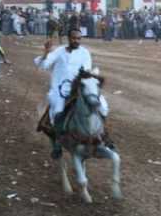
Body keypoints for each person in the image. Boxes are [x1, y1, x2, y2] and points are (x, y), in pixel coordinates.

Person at [34, 30, 109, 158]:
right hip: (59, 89)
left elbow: (86, 71)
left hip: (78, 87)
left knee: (102, 106)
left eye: (79, 39)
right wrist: (46, 51)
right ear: (68, 38)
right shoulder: (59, 51)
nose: (77, 41)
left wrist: (86, 76)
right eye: (74, 38)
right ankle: (57, 142)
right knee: (57, 110)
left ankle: (103, 138)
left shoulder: (84, 52)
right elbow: (44, 65)